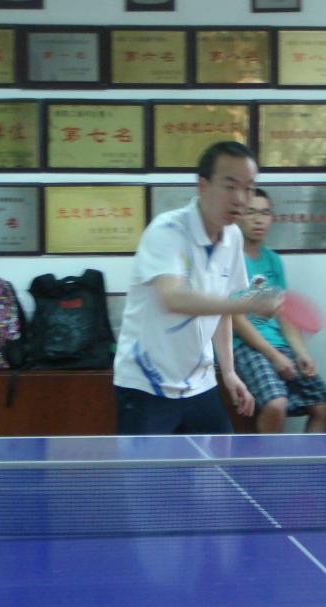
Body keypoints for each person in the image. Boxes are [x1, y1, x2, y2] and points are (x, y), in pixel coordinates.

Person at [113, 141, 280, 435]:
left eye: (249, 188)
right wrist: (247, 304)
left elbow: (222, 310)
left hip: (200, 383)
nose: (240, 199)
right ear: (202, 185)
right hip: (147, 384)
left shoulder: (233, 237)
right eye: (230, 186)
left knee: (220, 462)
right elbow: (173, 298)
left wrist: (228, 371)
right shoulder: (167, 231)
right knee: (146, 468)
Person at [233, 188, 326, 433]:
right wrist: (274, 356)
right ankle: (270, 460)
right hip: (244, 346)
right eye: (251, 212)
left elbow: (283, 313)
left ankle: (309, 461)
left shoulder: (273, 260)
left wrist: (301, 353)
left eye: (264, 213)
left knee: (324, 404)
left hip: (279, 344)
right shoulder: (228, 259)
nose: (258, 219)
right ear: (238, 217)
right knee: (276, 404)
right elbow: (235, 319)